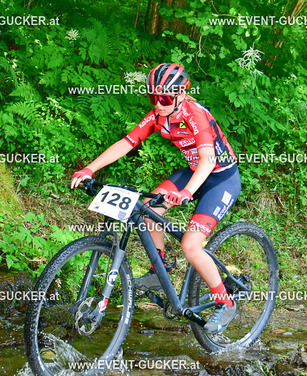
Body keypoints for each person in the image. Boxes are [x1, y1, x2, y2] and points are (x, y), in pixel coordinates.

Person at [70, 63, 241, 334]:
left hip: (221, 179)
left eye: (164, 99)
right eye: (153, 98)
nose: (158, 104)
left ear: (180, 95)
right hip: (194, 171)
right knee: (149, 211)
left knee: (191, 245)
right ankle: (159, 271)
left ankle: (225, 301)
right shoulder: (159, 115)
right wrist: (90, 169)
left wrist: (186, 193)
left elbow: (209, 160)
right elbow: (127, 142)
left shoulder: (194, 114)